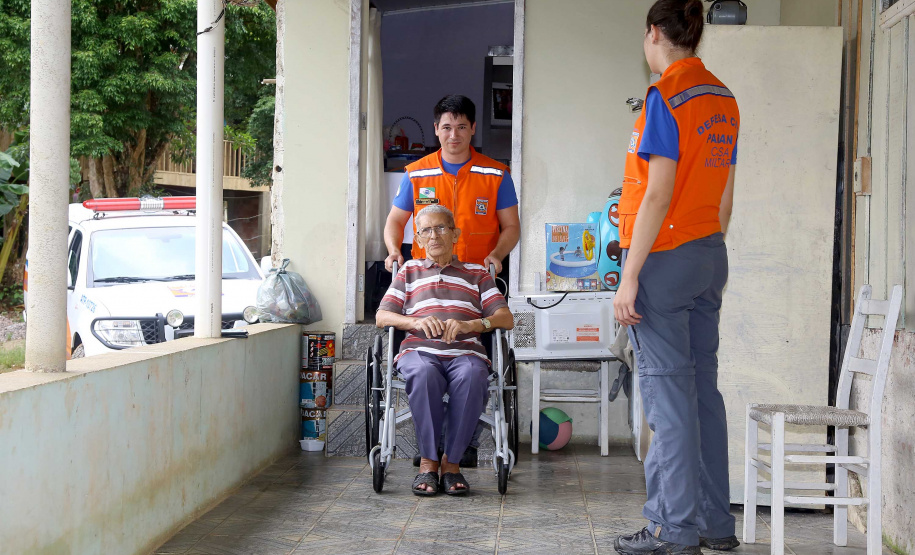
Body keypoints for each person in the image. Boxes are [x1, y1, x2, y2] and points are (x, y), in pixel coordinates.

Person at [611, 1, 740, 554]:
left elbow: (658, 192)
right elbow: (725, 193)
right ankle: (715, 523)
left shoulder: (665, 97)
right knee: (702, 394)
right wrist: (708, 247)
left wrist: (630, 276)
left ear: (653, 34)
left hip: (665, 259)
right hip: (709, 254)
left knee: (669, 400)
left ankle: (672, 528)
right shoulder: (723, 98)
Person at [384, 94, 520, 466]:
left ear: (473, 129)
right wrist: (395, 251)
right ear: (436, 130)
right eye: (447, 127)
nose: (454, 134)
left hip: (475, 283)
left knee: (472, 362)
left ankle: (461, 446)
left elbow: (511, 227)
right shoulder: (417, 172)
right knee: (427, 362)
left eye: (461, 127)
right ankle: (435, 447)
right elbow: (395, 222)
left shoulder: (495, 174)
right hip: (423, 282)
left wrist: (496, 256)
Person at [376, 205, 514, 496]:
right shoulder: (409, 272)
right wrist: (415, 321)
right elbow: (382, 317)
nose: (434, 235)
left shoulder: (477, 274)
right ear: (419, 238)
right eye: (426, 230)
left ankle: (451, 465)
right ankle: (428, 462)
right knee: (424, 374)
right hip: (419, 352)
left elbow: (505, 318)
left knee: (474, 375)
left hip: (466, 353)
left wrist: (472, 325)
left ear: (455, 234)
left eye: (441, 228)